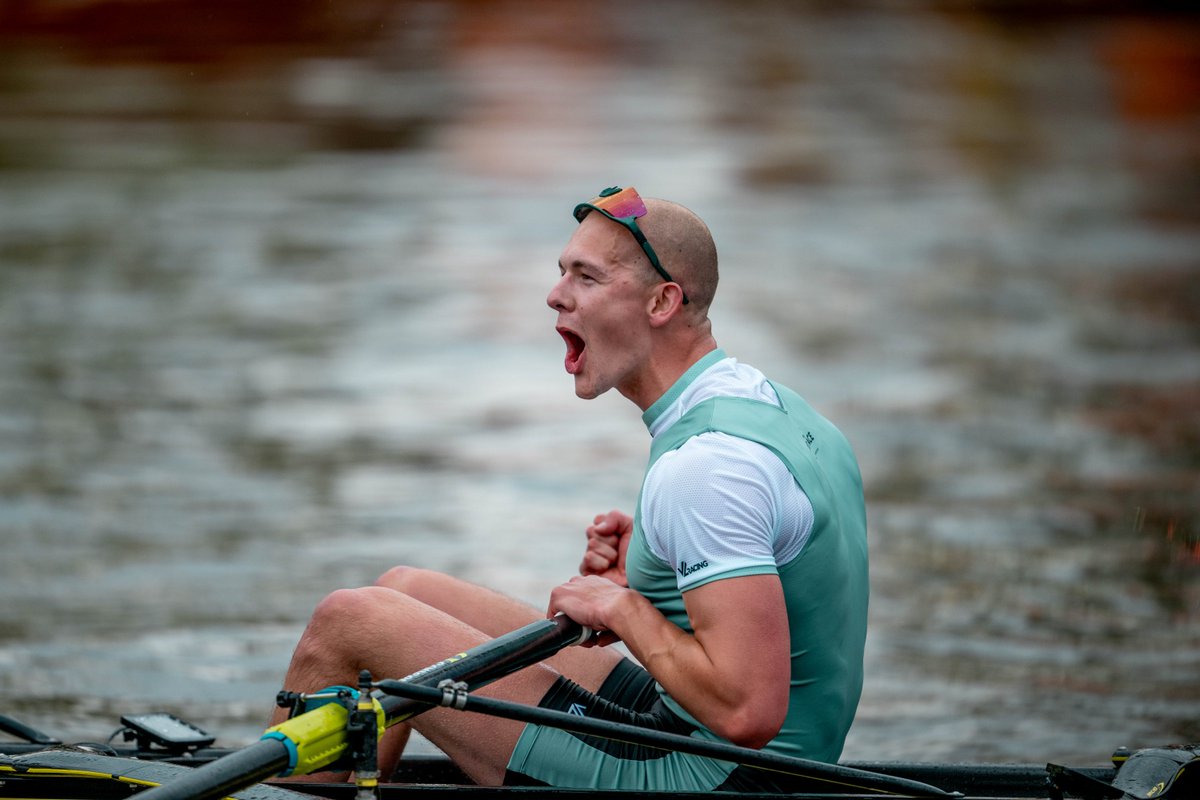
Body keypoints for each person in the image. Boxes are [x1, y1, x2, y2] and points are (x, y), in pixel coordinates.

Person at [271, 186, 869, 792]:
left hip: (722, 777)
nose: (555, 295)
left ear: (662, 301)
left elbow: (748, 714)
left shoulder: (705, 468)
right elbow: (787, 569)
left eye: (586, 277)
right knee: (403, 590)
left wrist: (624, 609)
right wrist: (657, 568)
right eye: (563, 272)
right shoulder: (781, 412)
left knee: (350, 621)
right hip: (733, 744)